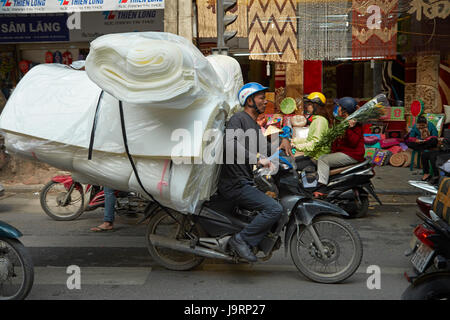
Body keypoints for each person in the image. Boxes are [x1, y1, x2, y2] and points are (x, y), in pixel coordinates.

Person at [218, 82, 291, 262]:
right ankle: (241, 240)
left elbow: (265, 147)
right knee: (274, 209)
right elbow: (229, 144)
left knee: (271, 201)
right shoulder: (238, 119)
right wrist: (256, 159)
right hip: (234, 183)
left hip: (245, 180)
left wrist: (283, 142)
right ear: (249, 100)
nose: (265, 102)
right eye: (261, 98)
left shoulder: (253, 124)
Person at [315, 97, 365, 196]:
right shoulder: (343, 121)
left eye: (339, 106)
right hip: (344, 152)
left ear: (344, 110)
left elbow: (353, 142)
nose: (337, 108)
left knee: (323, 160)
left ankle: (322, 188)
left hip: (352, 155)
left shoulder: (354, 123)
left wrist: (350, 129)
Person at [292, 91, 331, 170]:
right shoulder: (317, 119)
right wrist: (294, 141)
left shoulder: (319, 121)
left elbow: (315, 144)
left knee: (290, 166)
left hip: (316, 158)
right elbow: (310, 139)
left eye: (309, 104)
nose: (307, 106)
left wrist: (296, 146)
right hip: (312, 155)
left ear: (316, 106)